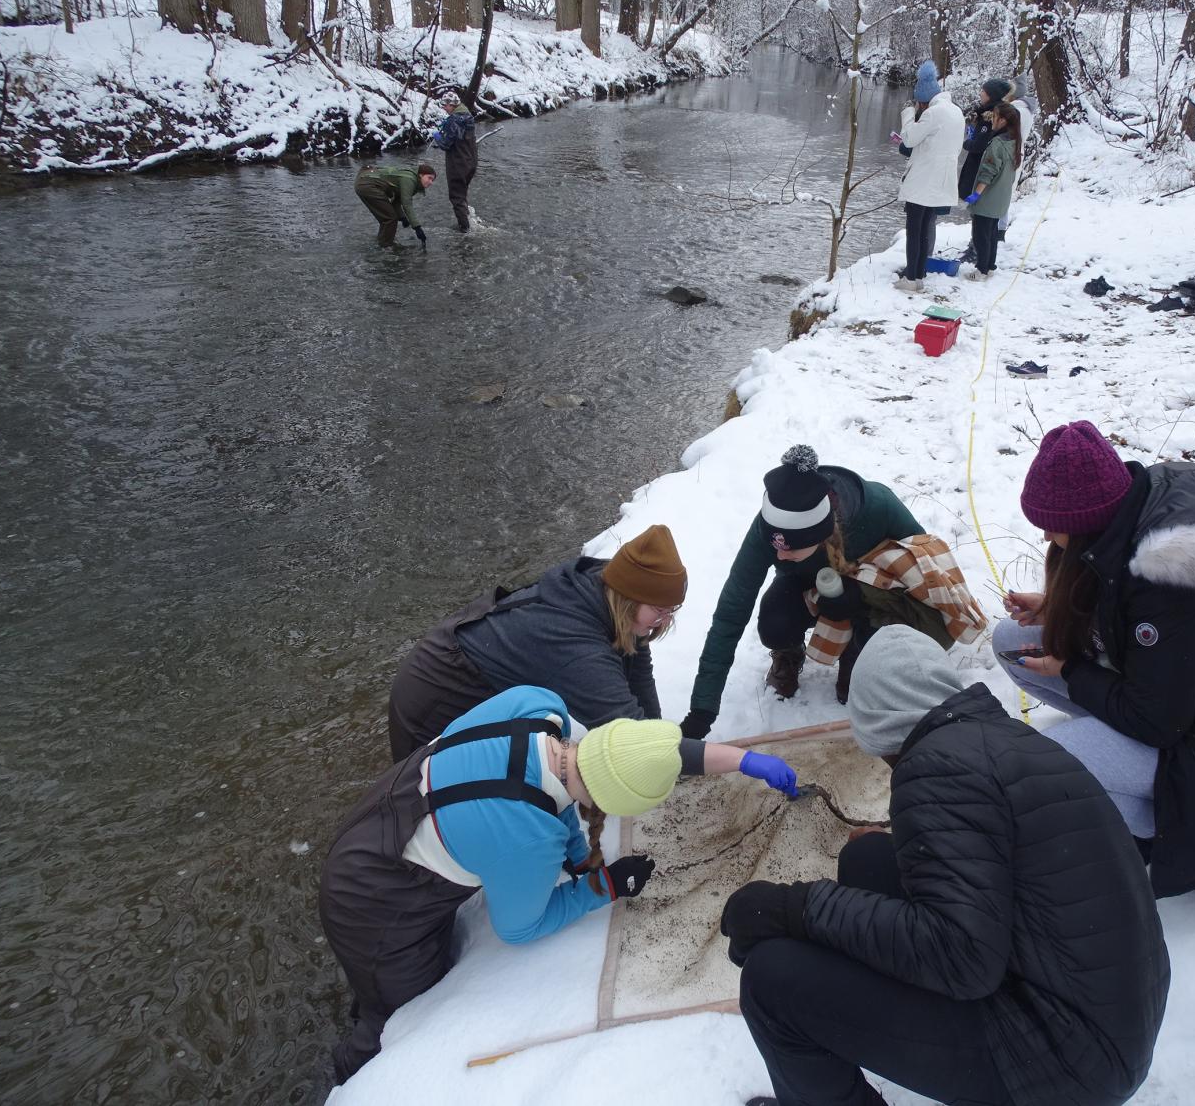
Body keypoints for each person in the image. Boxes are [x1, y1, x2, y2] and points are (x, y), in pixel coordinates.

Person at [722, 626, 1170, 1106]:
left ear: (875, 721)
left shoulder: (933, 769)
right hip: (1113, 1021)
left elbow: (962, 959)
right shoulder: (1005, 740)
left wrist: (797, 908)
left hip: (1056, 1062)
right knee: (869, 859)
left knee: (773, 981)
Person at [321, 685, 801, 1083]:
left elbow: (638, 757)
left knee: (379, 978)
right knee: (396, 1010)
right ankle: (352, 1079)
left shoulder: (545, 712)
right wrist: (605, 887)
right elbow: (520, 929)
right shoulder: (528, 839)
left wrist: (744, 761)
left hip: (380, 813)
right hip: (374, 897)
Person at [993, 420, 1195, 897]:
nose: (1045, 536)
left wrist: (1070, 671)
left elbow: (1158, 720)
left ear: (1086, 522)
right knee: (1011, 641)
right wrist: (1056, 608)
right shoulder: (1124, 523)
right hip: (1171, 712)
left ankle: (1145, 830)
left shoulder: (1171, 577)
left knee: (1046, 762)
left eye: (1052, 525)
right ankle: (1110, 757)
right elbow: (1118, 603)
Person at [682, 445, 934, 740]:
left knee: (852, 688)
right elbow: (730, 612)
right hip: (802, 587)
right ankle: (789, 654)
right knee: (774, 624)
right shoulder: (768, 530)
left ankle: (857, 653)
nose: (779, 555)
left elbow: (927, 564)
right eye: (775, 547)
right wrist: (702, 710)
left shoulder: (877, 506)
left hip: (871, 591)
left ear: (822, 534)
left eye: (789, 549)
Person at [388, 524, 686, 763]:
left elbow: (637, 671)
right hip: (436, 697)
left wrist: (659, 735)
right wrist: (690, 755)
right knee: (426, 798)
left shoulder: (613, 592)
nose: (663, 621)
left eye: (671, 610)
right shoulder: (575, 645)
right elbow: (630, 739)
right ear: (628, 599)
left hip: (486, 678)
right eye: (659, 611)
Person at [895, 60, 964, 292]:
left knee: (914, 230)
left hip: (923, 181)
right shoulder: (956, 112)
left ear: (922, 100)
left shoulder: (933, 113)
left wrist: (907, 114)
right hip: (941, 181)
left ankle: (911, 279)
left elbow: (909, 139)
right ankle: (920, 274)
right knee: (925, 228)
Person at [963, 102, 1021, 279]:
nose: (992, 120)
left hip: (989, 198)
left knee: (981, 234)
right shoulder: (1014, 140)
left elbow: (989, 171)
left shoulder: (997, 143)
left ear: (1002, 120)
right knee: (992, 233)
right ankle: (989, 266)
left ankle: (981, 270)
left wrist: (977, 194)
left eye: (994, 117)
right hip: (1002, 198)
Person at [957, 77, 1012, 204]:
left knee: (976, 209)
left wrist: (966, 141)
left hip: (978, 171)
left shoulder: (989, 118)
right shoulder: (990, 113)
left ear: (991, 95)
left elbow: (978, 146)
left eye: (983, 91)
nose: (980, 93)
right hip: (982, 170)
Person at [354, 161, 434, 246]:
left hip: (364, 181)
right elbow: (407, 203)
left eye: (432, 180)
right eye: (429, 178)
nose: (431, 182)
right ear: (421, 175)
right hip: (367, 184)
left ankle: (381, 243)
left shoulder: (412, 180)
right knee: (390, 218)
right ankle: (386, 247)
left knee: (387, 218)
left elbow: (396, 201)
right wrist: (417, 227)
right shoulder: (410, 179)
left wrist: (402, 217)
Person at [431, 89, 477, 233]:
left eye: (445, 105)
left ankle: (465, 230)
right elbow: (460, 136)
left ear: (452, 105)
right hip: (471, 162)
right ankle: (468, 220)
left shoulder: (453, 120)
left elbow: (446, 144)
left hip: (458, 164)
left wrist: (437, 136)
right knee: (462, 194)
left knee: (456, 197)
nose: (444, 108)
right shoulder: (468, 116)